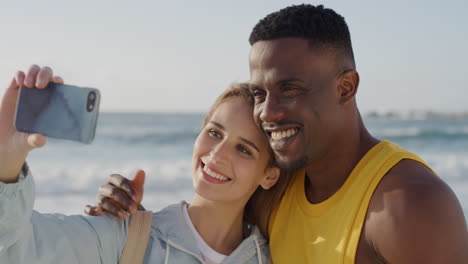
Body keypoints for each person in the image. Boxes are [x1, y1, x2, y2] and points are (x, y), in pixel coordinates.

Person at [90, 4, 468, 264]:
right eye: (259, 93)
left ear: (346, 88)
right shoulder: (277, 188)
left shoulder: (410, 204)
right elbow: (205, 240)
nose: (267, 113)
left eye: (290, 89)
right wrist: (128, 219)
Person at [0, 66, 289, 263]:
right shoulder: (127, 238)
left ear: (269, 175)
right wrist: (7, 157)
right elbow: (16, 249)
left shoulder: (275, 256)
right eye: (214, 133)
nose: (218, 154)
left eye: (244, 149)